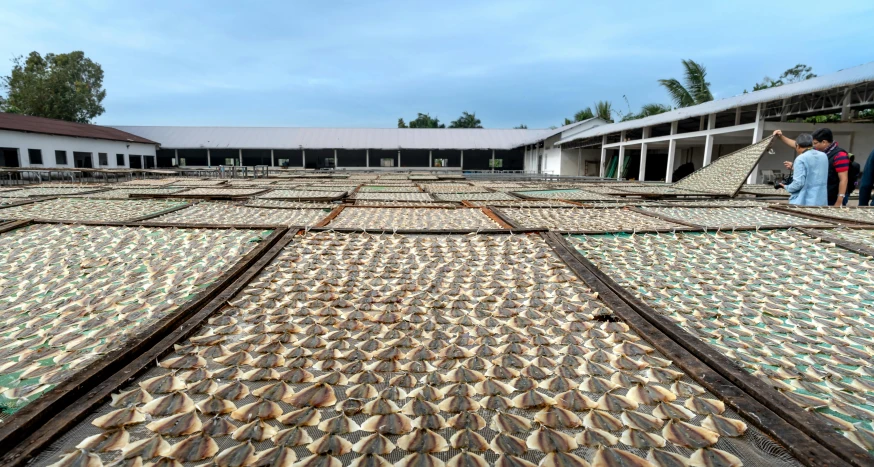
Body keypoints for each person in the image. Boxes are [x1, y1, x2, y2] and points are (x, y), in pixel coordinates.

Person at [773, 128, 849, 206]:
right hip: (821, 197)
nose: (813, 145)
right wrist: (781, 137)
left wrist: (839, 200)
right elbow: (800, 145)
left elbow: (844, 179)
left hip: (832, 196)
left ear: (824, 142)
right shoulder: (822, 154)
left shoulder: (840, 155)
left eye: (815, 143)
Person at [774, 131, 828, 206]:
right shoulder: (823, 156)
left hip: (804, 201)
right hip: (821, 200)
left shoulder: (801, 158)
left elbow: (798, 184)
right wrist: (794, 167)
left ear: (798, 146)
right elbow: (813, 173)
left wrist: (786, 187)